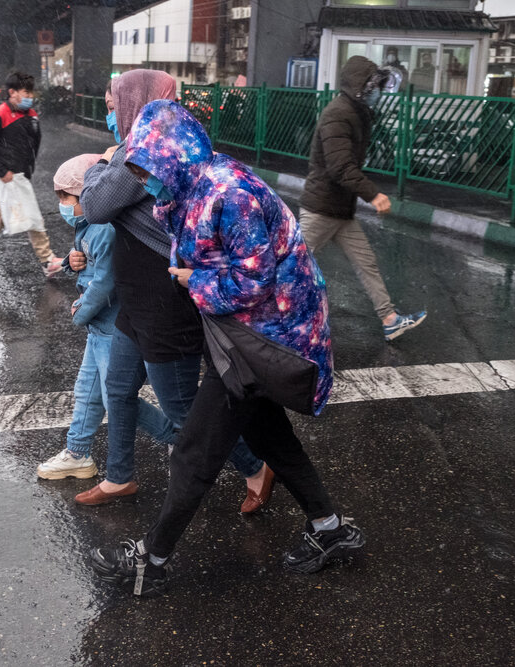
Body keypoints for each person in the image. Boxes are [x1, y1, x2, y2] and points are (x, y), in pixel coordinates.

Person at [90, 101, 363, 597]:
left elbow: (254, 281)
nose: (144, 182)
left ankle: (152, 560)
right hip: (244, 333)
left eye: (148, 171)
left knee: (194, 451)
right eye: (138, 172)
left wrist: (193, 281)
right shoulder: (190, 186)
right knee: (270, 437)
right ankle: (330, 529)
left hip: (268, 334)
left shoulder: (229, 193)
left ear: (173, 157)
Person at [72, 69, 274, 512]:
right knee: (118, 390)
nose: (112, 116)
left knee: (182, 408)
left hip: (166, 303)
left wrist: (101, 164)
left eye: (114, 107)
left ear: (135, 103)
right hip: (135, 299)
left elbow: (96, 206)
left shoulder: (148, 150)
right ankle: (119, 477)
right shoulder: (140, 148)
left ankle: (255, 467)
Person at [36, 154, 177, 479]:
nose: (63, 206)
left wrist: (81, 311)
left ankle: (176, 436)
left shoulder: (103, 229)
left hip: (113, 328)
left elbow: (104, 282)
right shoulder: (89, 226)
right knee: (88, 393)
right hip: (101, 328)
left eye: (67, 198)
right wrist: (72, 261)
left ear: (86, 195)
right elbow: (91, 264)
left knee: (117, 400)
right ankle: (77, 452)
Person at [299, 56, 426, 342]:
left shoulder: (356, 112)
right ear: (360, 87)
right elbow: (340, 167)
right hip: (321, 209)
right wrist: (373, 194)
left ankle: (390, 319)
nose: (378, 92)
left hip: (341, 210)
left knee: (366, 263)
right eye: (374, 86)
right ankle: (262, 315)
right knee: (292, 264)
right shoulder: (337, 114)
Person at [0, 71, 63, 277]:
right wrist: (1, 171)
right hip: (6, 176)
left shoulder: (31, 115)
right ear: (12, 92)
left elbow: (32, 143)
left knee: (0, 218)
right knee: (32, 214)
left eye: (31, 92)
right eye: (26, 92)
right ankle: (47, 260)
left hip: (19, 175)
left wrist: (27, 167)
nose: (30, 96)